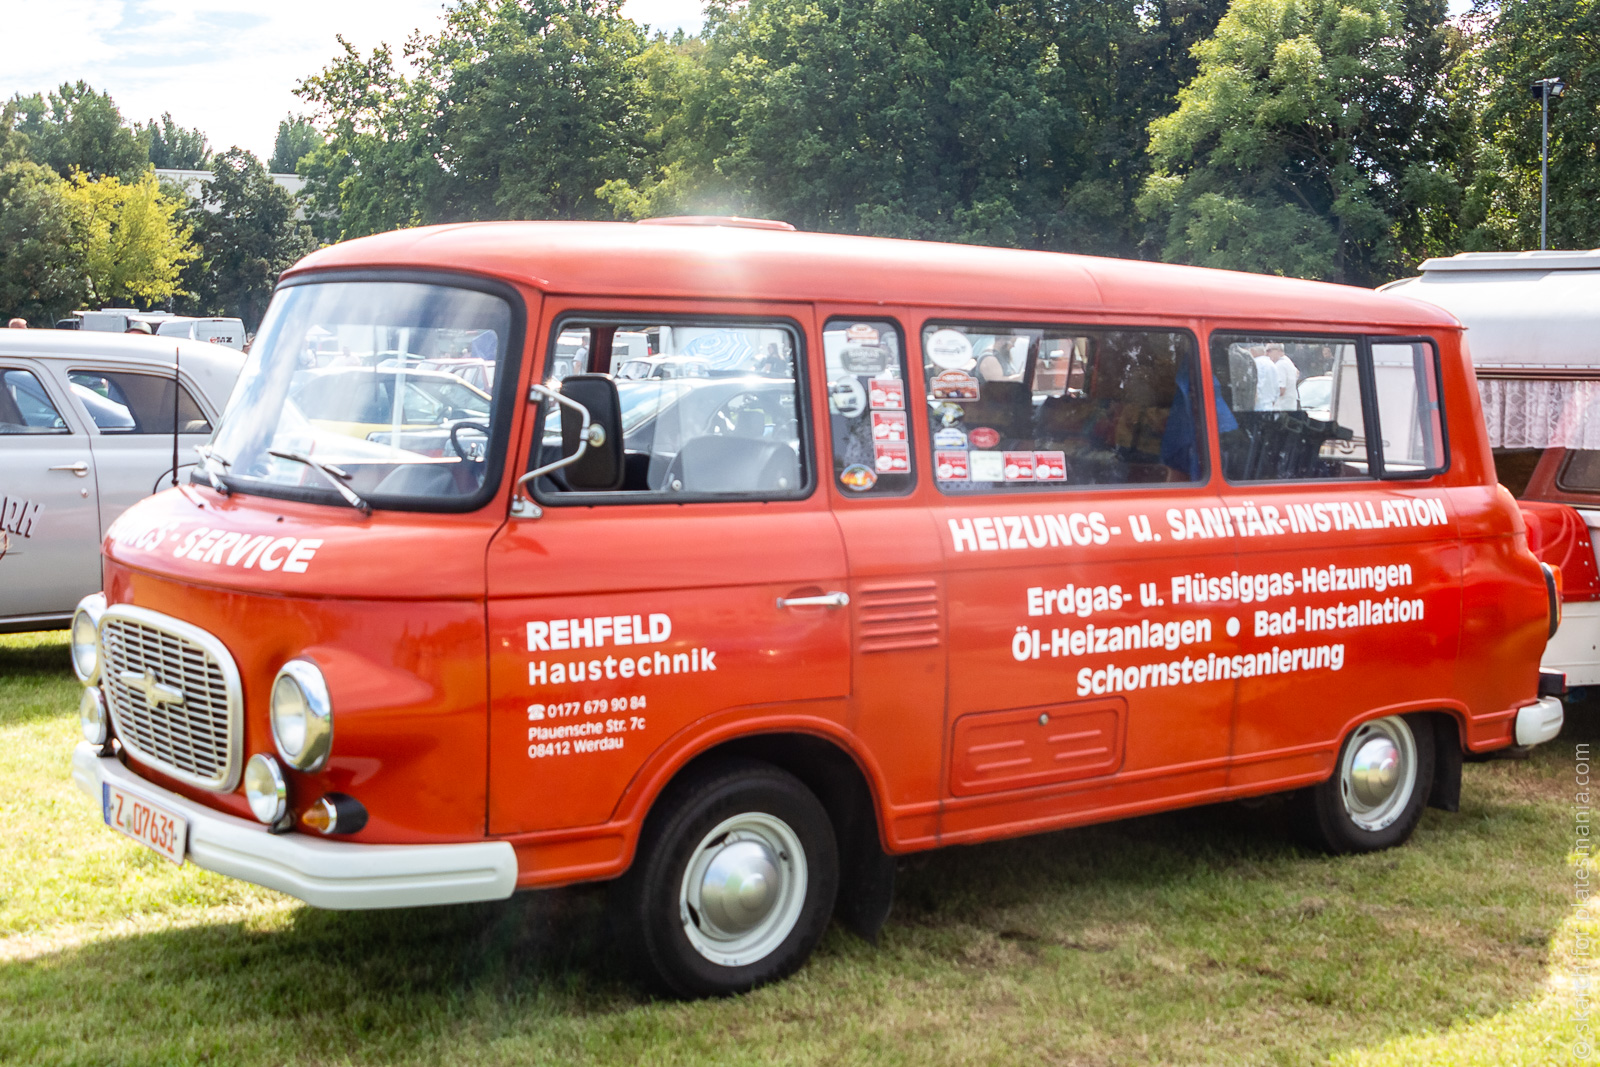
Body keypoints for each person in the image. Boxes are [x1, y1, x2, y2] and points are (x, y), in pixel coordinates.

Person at [1269, 343, 1299, 411]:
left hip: (1281, 408)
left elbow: (1281, 389)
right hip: (1290, 406)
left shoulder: (1280, 365)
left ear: (1278, 350)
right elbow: (1297, 373)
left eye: (1269, 350)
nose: (1267, 354)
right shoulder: (1288, 361)